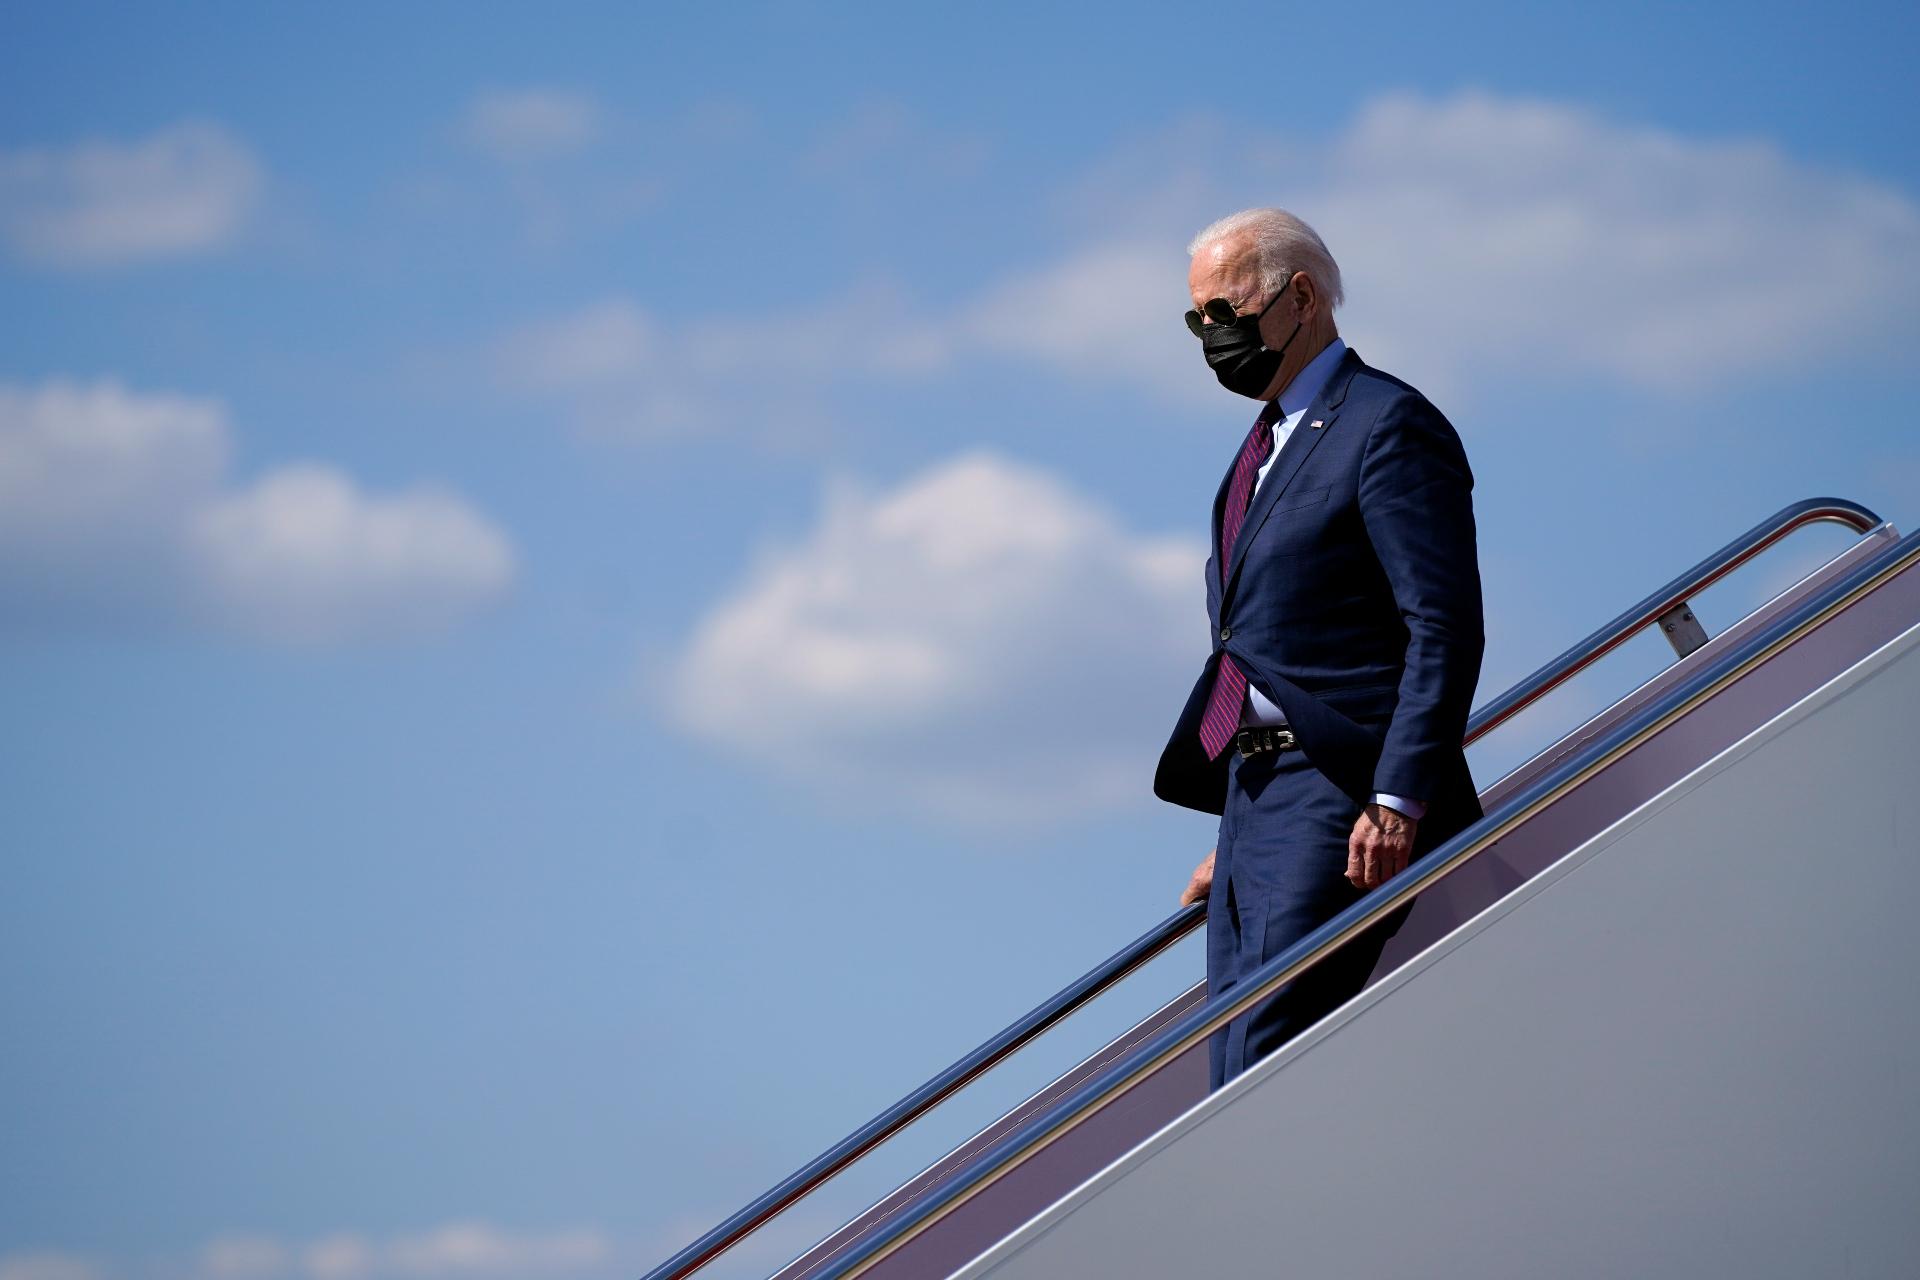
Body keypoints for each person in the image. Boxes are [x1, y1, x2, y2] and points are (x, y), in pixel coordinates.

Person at [1153, 207, 1486, 1091]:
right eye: (1197, 323)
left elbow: (1442, 624)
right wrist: (1238, 819)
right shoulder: (1259, 449)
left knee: (1267, 1059)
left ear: (1300, 298)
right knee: (1230, 1071)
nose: (1212, 340)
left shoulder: (1387, 427)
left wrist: (1397, 796)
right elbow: (1253, 646)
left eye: (1225, 315)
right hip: (1257, 799)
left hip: (1339, 800)